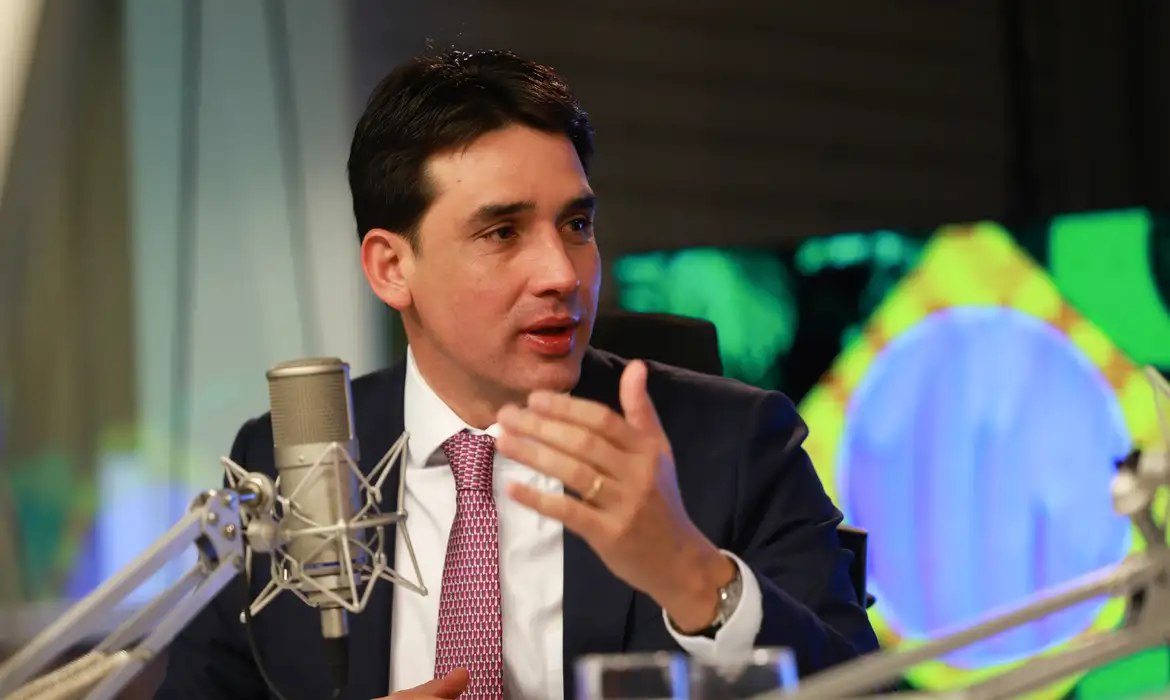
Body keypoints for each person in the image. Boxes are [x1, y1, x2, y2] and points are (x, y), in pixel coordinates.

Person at [155, 49, 878, 700]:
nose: (562, 274)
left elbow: (866, 691)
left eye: (577, 225)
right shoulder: (286, 465)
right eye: (502, 232)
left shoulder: (737, 445)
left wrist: (693, 576)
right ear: (391, 267)